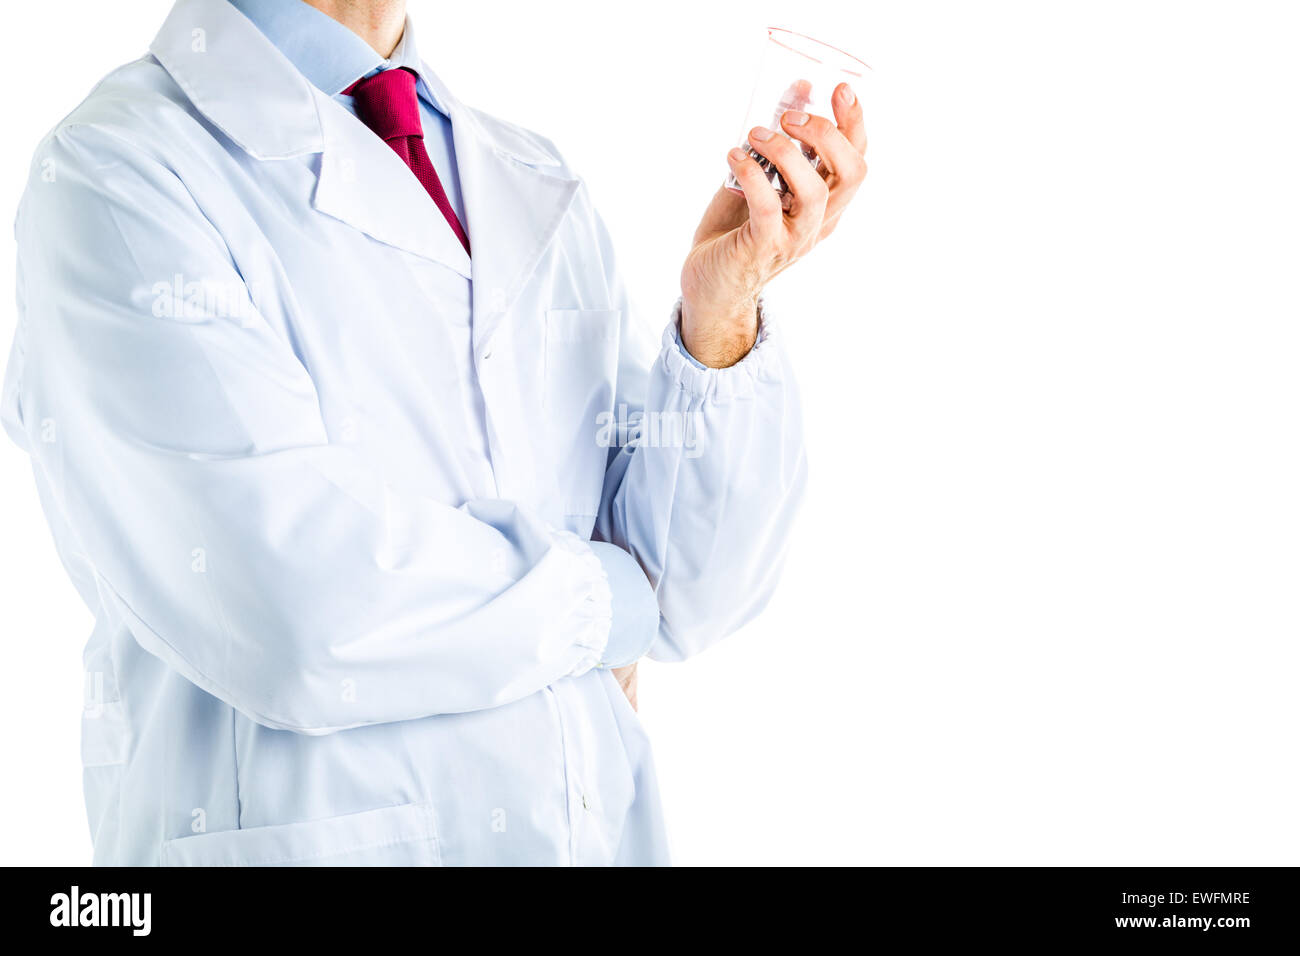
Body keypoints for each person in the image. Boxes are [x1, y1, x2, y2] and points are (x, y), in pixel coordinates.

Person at [1, 0, 866, 865]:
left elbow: (685, 593)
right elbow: (292, 607)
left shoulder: (523, 169)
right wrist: (606, 605)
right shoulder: (117, 173)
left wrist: (719, 320)